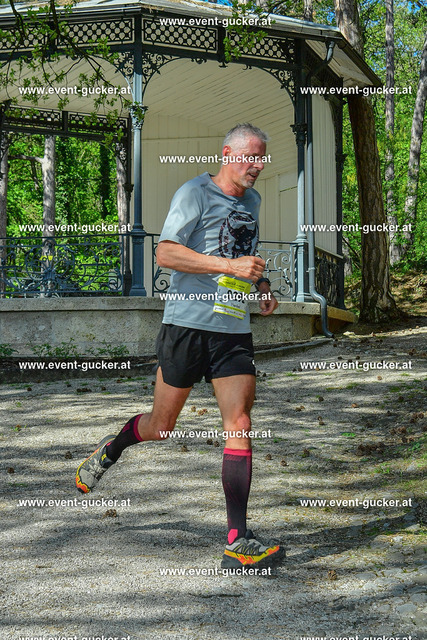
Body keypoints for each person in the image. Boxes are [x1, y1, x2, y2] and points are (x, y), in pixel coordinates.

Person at [76, 123, 285, 570]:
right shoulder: (194, 193)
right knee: (162, 426)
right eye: (251, 157)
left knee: (240, 423)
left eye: (262, 158)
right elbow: (166, 254)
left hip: (232, 328)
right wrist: (227, 266)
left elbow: (244, 249)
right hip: (186, 326)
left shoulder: (252, 200)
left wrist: (261, 282)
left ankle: (237, 540)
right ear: (227, 153)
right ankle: (112, 448)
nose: (257, 166)